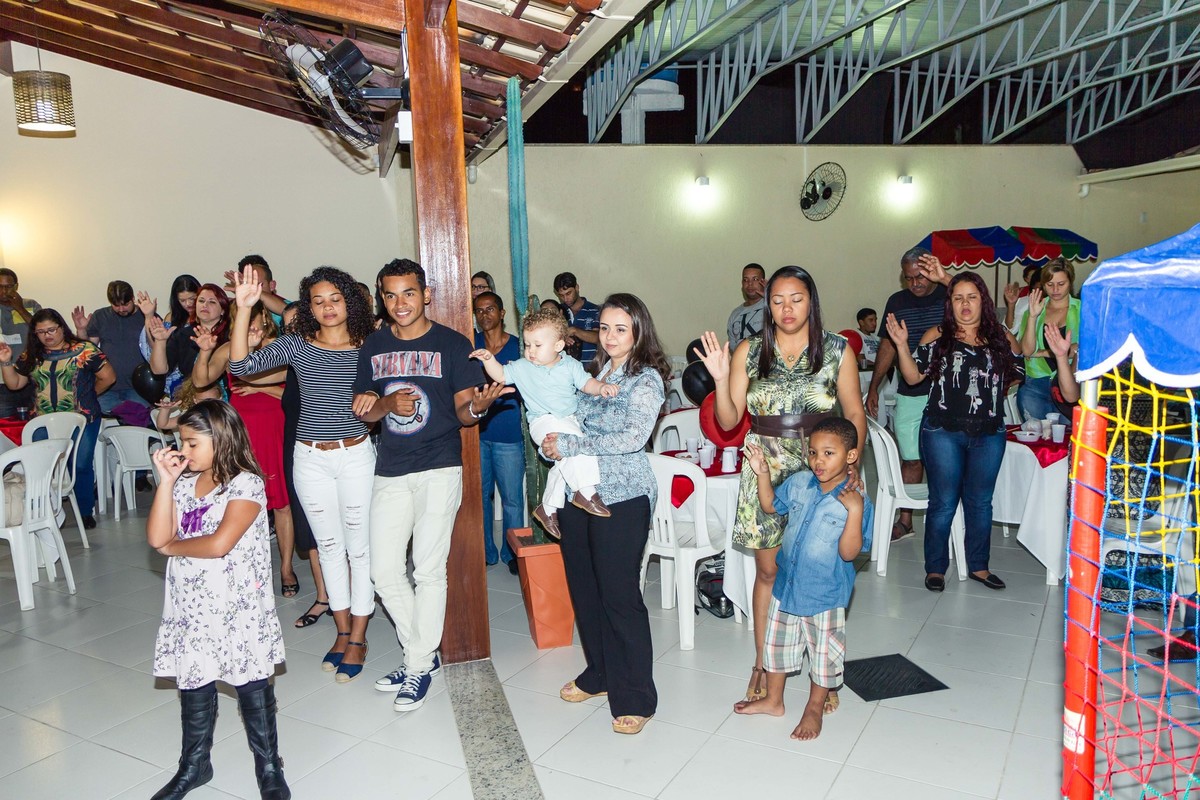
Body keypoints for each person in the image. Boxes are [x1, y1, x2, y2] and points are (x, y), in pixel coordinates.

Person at [695, 265, 866, 708]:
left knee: (816, 571)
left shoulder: (837, 350)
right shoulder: (750, 350)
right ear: (767, 306)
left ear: (811, 301)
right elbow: (729, 420)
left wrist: (852, 463)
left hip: (821, 468)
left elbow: (854, 412)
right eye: (777, 300)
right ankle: (763, 662)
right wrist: (720, 378)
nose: (787, 308)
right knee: (769, 572)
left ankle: (821, 676)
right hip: (764, 466)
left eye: (796, 299)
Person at [352, 259, 506, 711]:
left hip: (439, 466)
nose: (400, 303)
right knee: (383, 571)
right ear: (382, 298)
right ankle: (422, 653)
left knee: (428, 570)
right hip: (391, 468)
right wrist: (384, 404)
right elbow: (366, 410)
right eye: (391, 295)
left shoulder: (452, 344)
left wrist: (478, 408)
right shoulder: (374, 346)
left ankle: (417, 665)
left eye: (409, 293)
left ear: (426, 295)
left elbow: (464, 414)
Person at [229, 265, 375, 683]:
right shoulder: (297, 344)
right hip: (309, 458)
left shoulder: (370, 344)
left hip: (355, 454)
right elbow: (241, 366)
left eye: (335, 299)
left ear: (349, 302)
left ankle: (359, 636)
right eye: (318, 301)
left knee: (359, 548)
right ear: (308, 308)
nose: (327, 307)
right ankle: (342, 630)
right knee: (328, 547)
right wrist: (244, 308)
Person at [146, 399, 288, 800]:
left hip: (237, 604)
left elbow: (219, 543)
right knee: (194, 681)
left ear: (221, 439)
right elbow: (157, 538)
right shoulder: (185, 484)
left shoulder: (246, 483)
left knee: (251, 683)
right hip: (192, 605)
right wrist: (166, 482)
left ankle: (269, 766)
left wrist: (173, 547)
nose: (183, 451)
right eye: (181, 442)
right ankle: (194, 765)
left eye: (192, 443)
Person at [541, 293, 669, 736]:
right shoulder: (594, 375)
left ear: (638, 332)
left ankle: (636, 696)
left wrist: (570, 444)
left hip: (624, 495)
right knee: (585, 589)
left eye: (621, 329)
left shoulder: (645, 379)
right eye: (605, 328)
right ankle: (598, 672)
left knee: (619, 595)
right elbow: (570, 421)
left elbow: (632, 437)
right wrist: (553, 438)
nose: (610, 337)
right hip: (580, 493)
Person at [734, 418, 872, 740]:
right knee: (777, 647)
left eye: (828, 453)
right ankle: (774, 700)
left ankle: (814, 707)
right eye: (813, 452)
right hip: (787, 585)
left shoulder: (856, 500)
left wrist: (854, 513)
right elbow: (770, 506)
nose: (818, 461)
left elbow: (850, 553)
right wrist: (762, 473)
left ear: (851, 456)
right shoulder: (798, 483)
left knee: (823, 655)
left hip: (825, 594)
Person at [886, 271, 1024, 593]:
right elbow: (913, 377)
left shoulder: (1001, 336)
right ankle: (936, 568)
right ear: (950, 303)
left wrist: (995, 388)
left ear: (983, 301)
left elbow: (1019, 370)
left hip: (989, 432)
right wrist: (902, 345)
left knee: (981, 502)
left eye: (972, 297)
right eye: (958, 298)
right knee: (943, 502)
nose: (965, 304)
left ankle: (979, 566)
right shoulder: (937, 335)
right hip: (942, 431)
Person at [471, 308, 618, 539]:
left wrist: (601, 388)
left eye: (537, 345)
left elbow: (586, 383)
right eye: (528, 344)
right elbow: (500, 375)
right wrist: (489, 359)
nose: (530, 351)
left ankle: (547, 508)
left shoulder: (570, 365)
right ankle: (586, 491)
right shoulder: (522, 367)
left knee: (564, 461)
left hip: (568, 420)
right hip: (543, 421)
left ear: (558, 345)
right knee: (578, 444)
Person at [192, 302, 297, 599]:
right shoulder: (228, 349)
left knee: (282, 504)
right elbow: (200, 381)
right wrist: (204, 351)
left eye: (253, 315)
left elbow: (294, 389)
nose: (248, 321)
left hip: (275, 426)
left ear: (265, 318)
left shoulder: (279, 346)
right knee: (243, 502)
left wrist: (258, 386)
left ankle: (286, 567)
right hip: (243, 432)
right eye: (242, 316)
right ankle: (250, 570)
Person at [866, 248, 952, 542]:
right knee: (911, 458)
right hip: (910, 390)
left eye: (920, 276)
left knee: (947, 460)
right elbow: (888, 346)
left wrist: (946, 278)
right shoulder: (897, 301)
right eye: (908, 278)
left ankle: (948, 517)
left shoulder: (949, 295)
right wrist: (874, 386)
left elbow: (977, 300)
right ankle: (905, 521)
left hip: (948, 391)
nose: (915, 283)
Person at [0, 309, 114, 529]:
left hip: (83, 418)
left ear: (62, 327)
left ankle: (85, 511)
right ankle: (44, 511)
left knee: (80, 465)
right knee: (41, 467)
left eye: (51, 330)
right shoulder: (32, 355)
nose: (47, 335)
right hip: (42, 421)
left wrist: (88, 396)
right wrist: (5, 362)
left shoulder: (84, 350)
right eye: (41, 332)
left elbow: (108, 377)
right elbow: (15, 384)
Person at [277, 302, 330, 630]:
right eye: (287, 327)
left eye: (298, 323)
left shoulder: (332, 354)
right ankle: (324, 597)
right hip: (296, 448)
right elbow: (243, 369)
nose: (293, 330)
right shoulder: (290, 361)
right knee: (310, 524)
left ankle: (351, 598)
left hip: (334, 451)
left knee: (344, 526)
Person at [472, 291, 525, 573]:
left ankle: (513, 553)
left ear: (502, 313)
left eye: (490, 309)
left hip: (509, 435)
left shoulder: (518, 347)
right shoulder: (472, 345)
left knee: (512, 500)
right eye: (479, 310)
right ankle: (485, 551)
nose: (485, 315)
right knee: (479, 496)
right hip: (477, 433)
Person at [1017, 259, 1080, 421]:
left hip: (1070, 383)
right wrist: (1032, 317)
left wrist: (1045, 352)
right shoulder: (1035, 309)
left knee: (1069, 434)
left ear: (1071, 282)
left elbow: (1085, 348)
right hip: (1036, 383)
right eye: (1050, 284)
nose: (1055, 289)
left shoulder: (1081, 309)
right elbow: (1027, 351)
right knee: (1035, 435)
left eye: (1061, 284)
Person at [73, 280, 148, 412]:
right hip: (106, 388)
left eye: (125, 304)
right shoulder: (100, 316)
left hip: (138, 388)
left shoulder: (146, 315)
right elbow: (88, 349)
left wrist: (149, 316)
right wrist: (81, 330)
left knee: (139, 420)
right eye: (116, 305)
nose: (121, 309)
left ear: (133, 299)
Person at [149, 283, 231, 386]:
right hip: (189, 391)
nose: (205, 305)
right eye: (201, 301)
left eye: (212, 302)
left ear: (223, 310)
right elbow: (159, 370)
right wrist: (160, 341)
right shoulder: (183, 334)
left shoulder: (231, 335)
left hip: (223, 393)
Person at [136, 274, 201, 400]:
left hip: (199, 374)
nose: (188, 304)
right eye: (182, 300)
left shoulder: (206, 315)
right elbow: (157, 348)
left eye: (192, 299)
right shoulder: (171, 317)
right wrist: (149, 316)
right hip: (175, 378)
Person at [0, 268, 40, 418]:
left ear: (16, 286)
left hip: (32, 377)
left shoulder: (30, 305)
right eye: (0, 287)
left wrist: (20, 308)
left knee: (34, 422)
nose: (4, 291)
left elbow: (41, 330)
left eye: (8, 286)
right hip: (3, 382)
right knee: (6, 425)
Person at [553, 272, 601, 363]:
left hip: (591, 368)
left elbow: (600, 338)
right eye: (561, 295)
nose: (565, 299)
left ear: (577, 288)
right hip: (563, 369)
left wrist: (575, 331)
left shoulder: (596, 310)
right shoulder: (558, 312)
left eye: (568, 293)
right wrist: (562, 338)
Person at [726, 263, 766, 348]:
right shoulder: (735, 314)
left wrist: (771, 296)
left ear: (763, 282)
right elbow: (733, 347)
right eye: (745, 280)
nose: (750, 284)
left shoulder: (772, 306)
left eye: (755, 279)